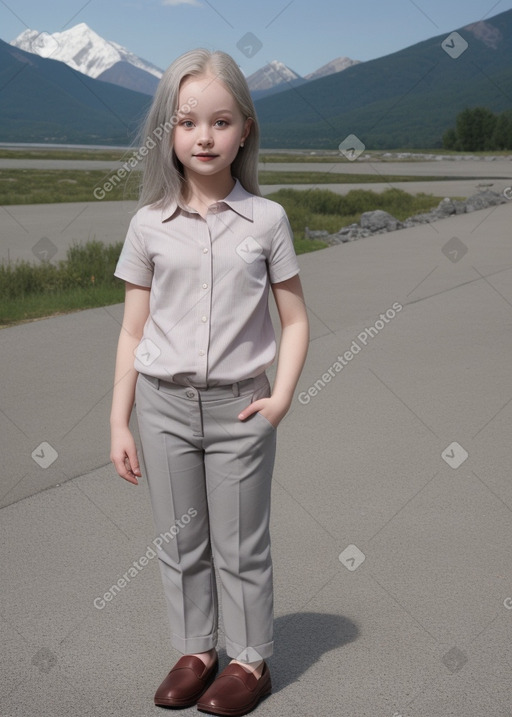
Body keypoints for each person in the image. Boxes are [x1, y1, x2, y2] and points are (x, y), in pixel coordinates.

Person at [110, 48, 309, 717]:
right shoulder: (147, 226)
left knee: (240, 543)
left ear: (245, 129)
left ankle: (250, 659)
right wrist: (119, 420)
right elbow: (133, 333)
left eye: (221, 122)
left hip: (240, 408)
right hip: (161, 409)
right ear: (168, 130)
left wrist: (279, 397)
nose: (204, 136)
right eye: (189, 121)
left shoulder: (267, 221)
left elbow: (297, 319)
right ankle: (197, 650)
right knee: (180, 539)